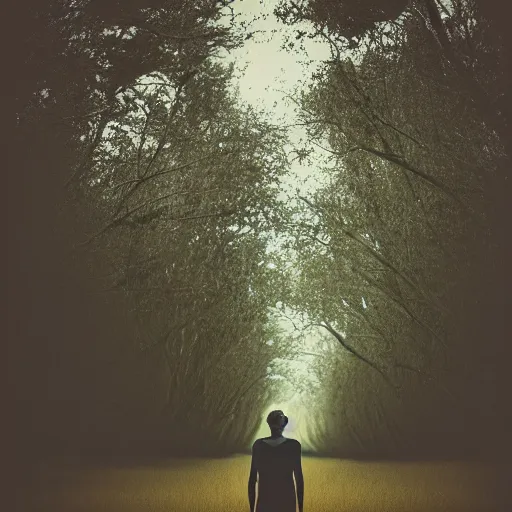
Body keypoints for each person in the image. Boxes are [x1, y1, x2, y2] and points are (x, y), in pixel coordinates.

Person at [248, 410, 304, 512]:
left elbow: (252, 481)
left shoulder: (258, 445)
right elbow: (299, 480)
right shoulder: (293, 446)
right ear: (284, 425)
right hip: (287, 503)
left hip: (264, 504)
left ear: (269, 424)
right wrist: (301, 509)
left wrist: (252, 510)